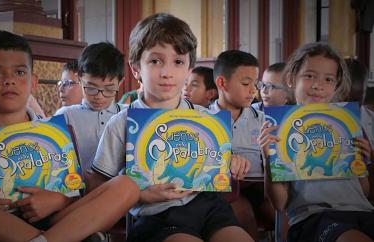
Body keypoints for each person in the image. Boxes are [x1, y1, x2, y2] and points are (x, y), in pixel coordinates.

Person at [0, 30, 139, 242]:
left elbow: (75, 192)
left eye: (19, 73)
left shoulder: (55, 131)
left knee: (126, 185)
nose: (9, 80)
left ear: (33, 82)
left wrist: (59, 201)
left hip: (56, 220)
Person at [89, 13, 254, 242]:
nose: (167, 72)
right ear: (136, 68)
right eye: (155, 61)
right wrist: (141, 194)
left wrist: (233, 161)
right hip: (157, 216)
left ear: (189, 69)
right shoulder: (122, 123)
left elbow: (216, 159)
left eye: (178, 62)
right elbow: (97, 186)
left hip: (210, 208)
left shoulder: (207, 119)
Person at [260, 42, 374, 242]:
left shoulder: (349, 127)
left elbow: (363, 192)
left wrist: (363, 163)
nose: (317, 85)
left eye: (328, 79)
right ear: (291, 78)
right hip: (313, 218)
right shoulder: (278, 129)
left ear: (336, 86)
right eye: (309, 75)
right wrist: (269, 158)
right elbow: (280, 203)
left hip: (363, 212)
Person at [209, 50, 269, 241]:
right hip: (222, 191)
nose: (253, 90)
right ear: (222, 83)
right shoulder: (203, 120)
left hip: (261, 189)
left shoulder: (264, 122)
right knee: (242, 211)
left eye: (255, 83)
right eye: (245, 83)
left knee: (285, 211)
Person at [55, 42, 126, 181]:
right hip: (79, 189)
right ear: (80, 79)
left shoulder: (127, 115)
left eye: (109, 89)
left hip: (120, 192)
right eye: (91, 87)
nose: (99, 96)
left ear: (120, 83)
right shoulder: (65, 116)